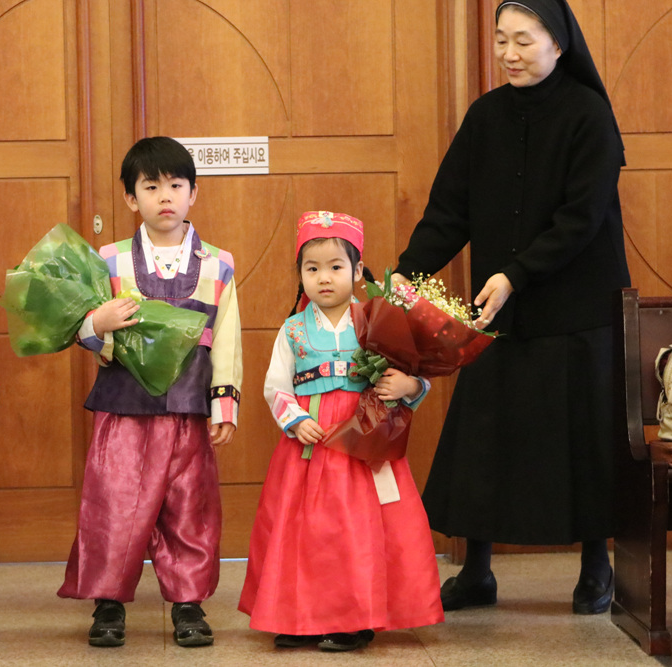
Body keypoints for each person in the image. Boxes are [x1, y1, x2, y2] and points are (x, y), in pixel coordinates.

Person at [393, 0, 630, 615]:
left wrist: (516, 274)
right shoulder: (485, 115)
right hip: (496, 309)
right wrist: (405, 274)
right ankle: (477, 572)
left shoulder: (589, 114)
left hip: (576, 309)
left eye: (523, 40)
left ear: (559, 44)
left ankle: (596, 567)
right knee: (485, 440)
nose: (509, 54)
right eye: (502, 40)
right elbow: (450, 209)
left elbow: (581, 217)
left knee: (583, 441)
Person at [57, 136, 243, 648]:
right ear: (130, 197)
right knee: (113, 505)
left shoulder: (218, 264)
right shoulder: (109, 260)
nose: (165, 196)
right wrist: (98, 322)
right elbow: (81, 329)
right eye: (151, 186)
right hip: (124, 408)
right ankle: (108, 604)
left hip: (188, 408)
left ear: (193, 193)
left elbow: (227, 338)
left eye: (176, 186)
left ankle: (188, 604)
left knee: (190, 507)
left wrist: (224, 405)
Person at [238, 211, 443, 652]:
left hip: (362, 441)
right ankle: (298, 617)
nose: (324, 278)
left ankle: (356, 617)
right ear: (300, 274)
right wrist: (295, 418)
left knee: (358, 532)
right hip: (311, 444)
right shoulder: (293, 329)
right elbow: (275, 386)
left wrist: (408, 387)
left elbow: (415, 375)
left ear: (357, 269)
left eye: (335, 267)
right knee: (304, 532)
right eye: (312, 269)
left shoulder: (376, 319)